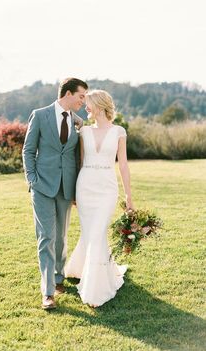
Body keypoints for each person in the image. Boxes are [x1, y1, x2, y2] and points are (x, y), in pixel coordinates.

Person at [22, 78, 88, 310]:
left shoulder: (77, 121)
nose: (84, 101)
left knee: (61, 236)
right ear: (68, 94)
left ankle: (59, 276)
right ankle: (48, 292)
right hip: (42, 186)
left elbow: (75, 156)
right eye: (81, 96)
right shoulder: (40, 115)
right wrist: (32, 179)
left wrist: (78, 189)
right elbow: (28, 150)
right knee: (46, 237)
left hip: (66, 186)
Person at [65, 89, 134, 307]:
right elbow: (80, 163)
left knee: (98, 232)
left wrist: (129, 197)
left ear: (100, 105)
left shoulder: (119, 131)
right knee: (89, 233)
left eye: (89, 103)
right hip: (85, 187)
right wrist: (75, 193)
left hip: (107, 189)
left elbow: (123, 165)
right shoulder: (84, 131)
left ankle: (95, 289)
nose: (86, 107)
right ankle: (81, 268)